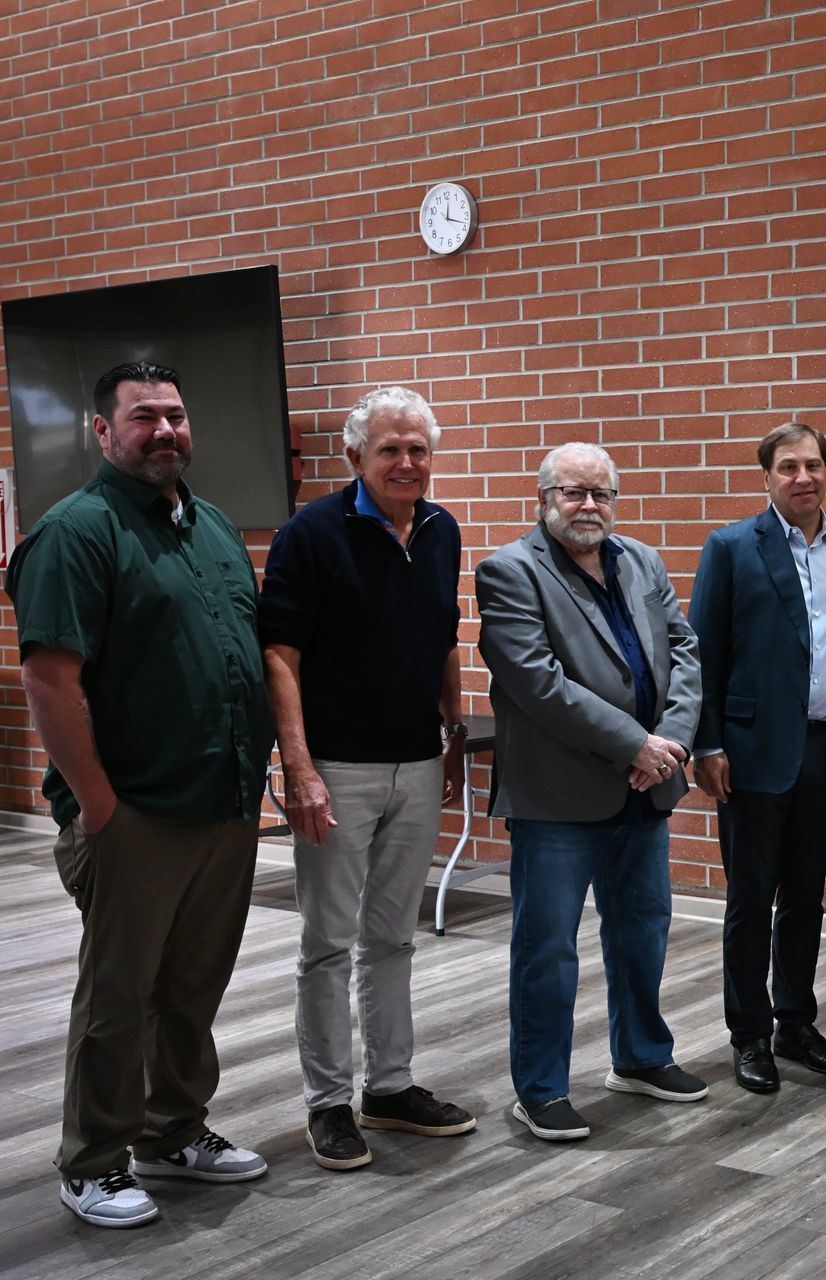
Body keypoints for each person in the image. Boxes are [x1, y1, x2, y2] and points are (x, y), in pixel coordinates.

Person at [8, 361, 273, 1228]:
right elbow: (51, 680)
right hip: (135, 814)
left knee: (191, 987)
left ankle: (173, 1132)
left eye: (175, 415)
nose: (164, 431)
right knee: (118, 997)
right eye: (143, 417)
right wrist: (98, 804)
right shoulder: (76, 532)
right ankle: (93, 1160)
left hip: (222, 801)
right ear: (102, 431)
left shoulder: (213, 528)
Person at [259, 386, 476, 1171]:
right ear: (356, 458)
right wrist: (301, 766)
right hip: (337, 768)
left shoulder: (443, 529)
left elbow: (445, 635)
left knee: (392, 938)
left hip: (418, 763)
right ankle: (328, 1103)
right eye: (390, 449)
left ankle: (389, 1087)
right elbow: (278, 653)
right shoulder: (310, 534)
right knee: (327, 943)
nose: (407, 462)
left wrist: (453, 731)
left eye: (418, 448)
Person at [475, 443, 706, 1142]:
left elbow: (685, 652)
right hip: (558, 799)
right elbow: (538, 683)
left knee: (644, 930)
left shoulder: (641, 561)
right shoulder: (509, 571)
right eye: (573, 492)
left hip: (646, 788)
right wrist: (635, 744)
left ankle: (640, 1057)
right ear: (543, 498)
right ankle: (540, 1088)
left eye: (601, 493)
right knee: (547, 948)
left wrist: (669, 743)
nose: (588, 506)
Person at [689, 422, 826, 1094]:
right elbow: (704, 654)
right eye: (788, 467)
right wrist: (706, 743)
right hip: (750, 754)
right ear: (767, 476)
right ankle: (750, 1036)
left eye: (814, 465)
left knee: (805, 895)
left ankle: (795, 1022)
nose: (804, 478)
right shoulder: (732, 547)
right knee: (751, 899)